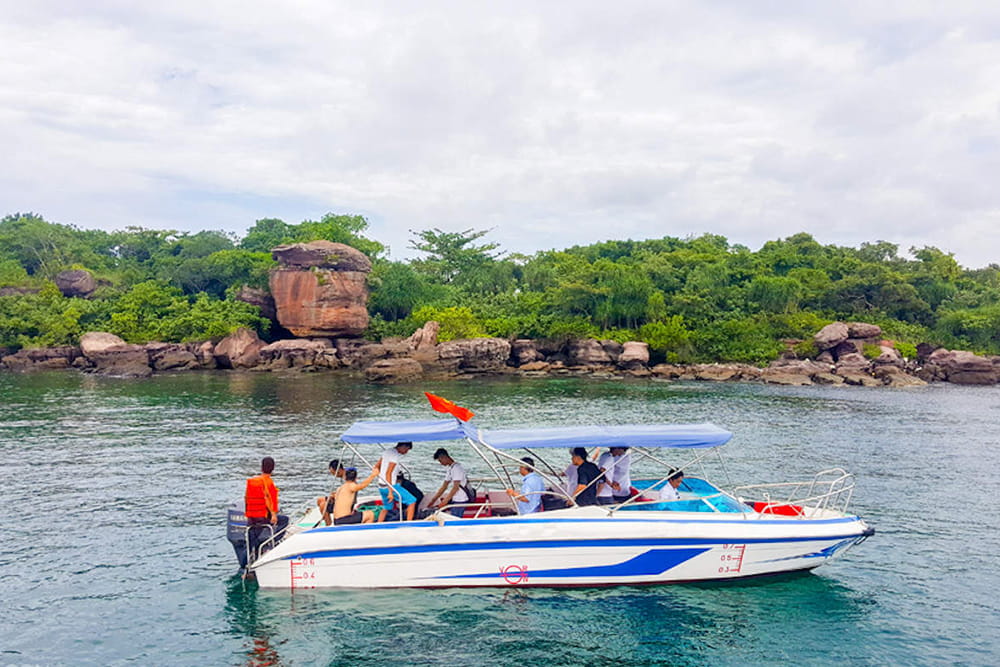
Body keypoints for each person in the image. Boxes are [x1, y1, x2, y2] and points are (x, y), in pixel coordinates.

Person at [244, 456, 289, 558]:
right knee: (285, 520)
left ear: (261, 467)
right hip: (263, 517)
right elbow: (269, 500)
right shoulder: (269, 483)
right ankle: (270, 542)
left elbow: (246, 498)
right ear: (273, 468)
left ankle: (252, 553)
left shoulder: (252, 482)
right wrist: (273, 515)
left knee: (252, 538)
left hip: (251, 518)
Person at [374, 441, 417, 521]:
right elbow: (388, 473)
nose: (406, 452)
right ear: (403, 446)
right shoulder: (395, 456)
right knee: (412, 501)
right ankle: (409, 524)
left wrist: (380, 478)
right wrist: (390, 492)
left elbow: (376, 467)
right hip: (390, 487)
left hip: (381, 486)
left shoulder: (387, 451)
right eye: (407, 450)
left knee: (386, 507)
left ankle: (378, 524)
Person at [426, 448, 471, 517]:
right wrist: (433, 501)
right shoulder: (450, 468)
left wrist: (445, 502)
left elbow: (455, 488)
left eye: (440, 461)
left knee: (455, 519)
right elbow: (444, 486)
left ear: (444, 457)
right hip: (455, 498)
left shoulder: (457, 468)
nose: (441, 463)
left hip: (460, 499)